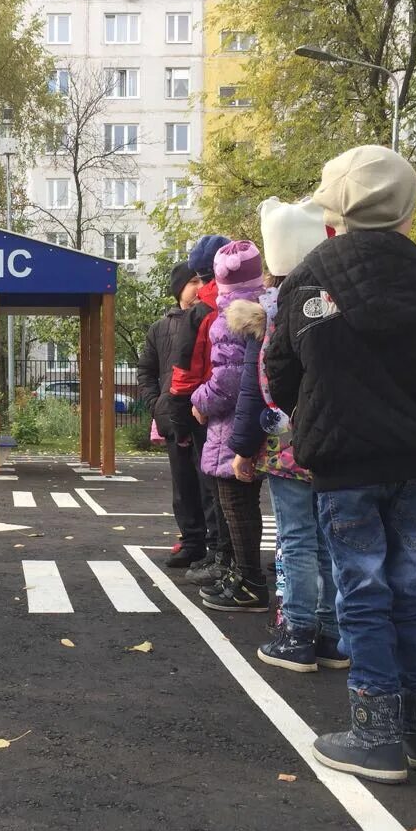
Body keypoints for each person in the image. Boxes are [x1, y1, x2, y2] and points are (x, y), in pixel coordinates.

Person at [266, 145, 416, 783]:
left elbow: (281, 371)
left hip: (345, 461)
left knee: (362, 592)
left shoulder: (306, 281)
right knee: (410, 589)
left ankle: (375, 736)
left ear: (333, 208)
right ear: (407, 208)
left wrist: (321, 413)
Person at [228, 197, 346, 671]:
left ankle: (296, 631)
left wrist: (243, 448)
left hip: (287, 447)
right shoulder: (339, 306)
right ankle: (333, 634)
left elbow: (257, 388)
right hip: (336, 443)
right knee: (331, 540)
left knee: (295, 539)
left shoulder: (271, 315)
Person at [191, 240, 270, 613]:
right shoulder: (267, 308)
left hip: (230, 427)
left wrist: (198, 400)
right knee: (247, 503)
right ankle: (245, 574)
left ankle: (248, 579)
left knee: (235, 503)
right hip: (263, 420)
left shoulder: (230, 320)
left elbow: (228, 381)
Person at [159, 234, 234, 586]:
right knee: (237, 491)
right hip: (247, 409)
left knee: (214, 487)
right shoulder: (254, 301)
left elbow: (185, 374)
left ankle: (223, 557)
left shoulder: (202, 311)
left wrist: (180, 415)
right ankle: (232, 556)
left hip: (207, 412)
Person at [138, 261, 215, 568]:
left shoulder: (213, 317)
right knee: (183, 485)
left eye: (202, 280)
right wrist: (156, 404)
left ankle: (217, 547)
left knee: (210, 484)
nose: (199, 286)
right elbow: (146, 370)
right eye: (193, 281)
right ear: (178, 289)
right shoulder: (160, 328)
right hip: (173, 416)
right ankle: (192, 541)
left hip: (208, 415)